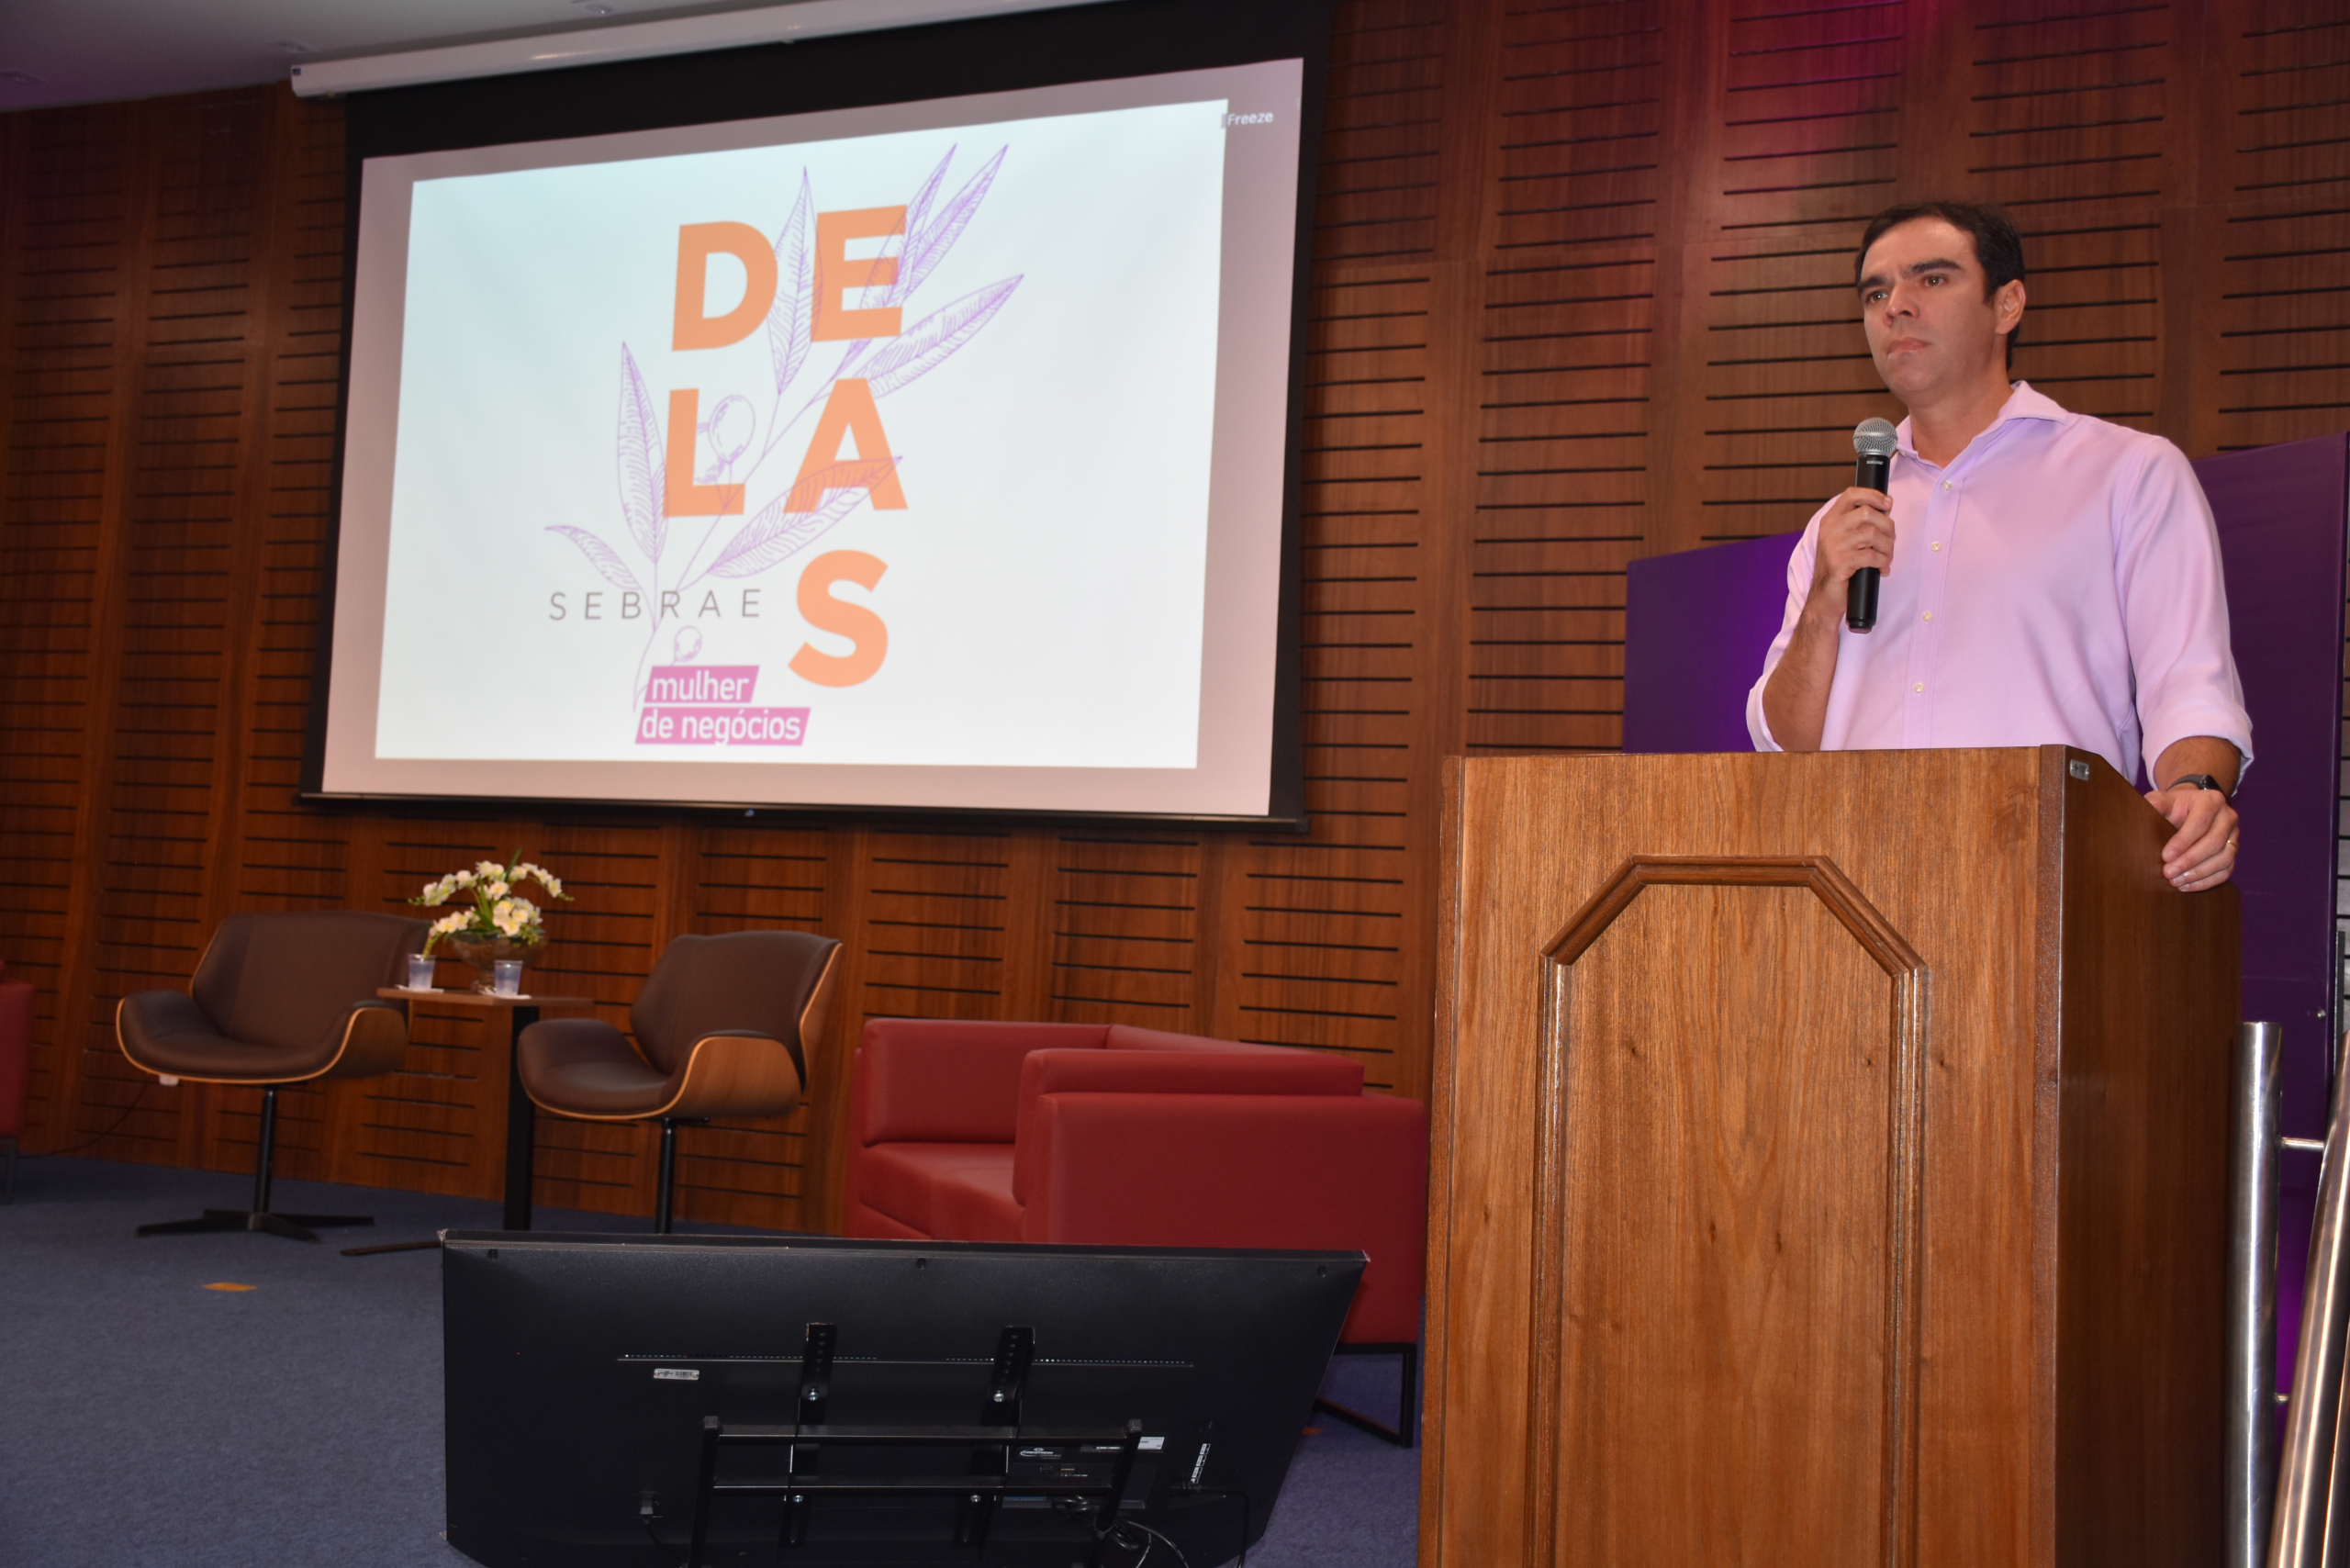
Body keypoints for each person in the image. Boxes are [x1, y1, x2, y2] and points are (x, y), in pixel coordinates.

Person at [1746, 200, 2251, 891]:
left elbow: (2188, 681)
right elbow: (1781, 744)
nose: (1896, 307)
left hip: (2038, 876)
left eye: (1931, 279)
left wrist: (2194, 789)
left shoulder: (2126, 473)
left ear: (2007, 304)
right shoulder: (1839, 523)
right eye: (1875, 293)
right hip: (1847, 886)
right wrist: (1822, 607)